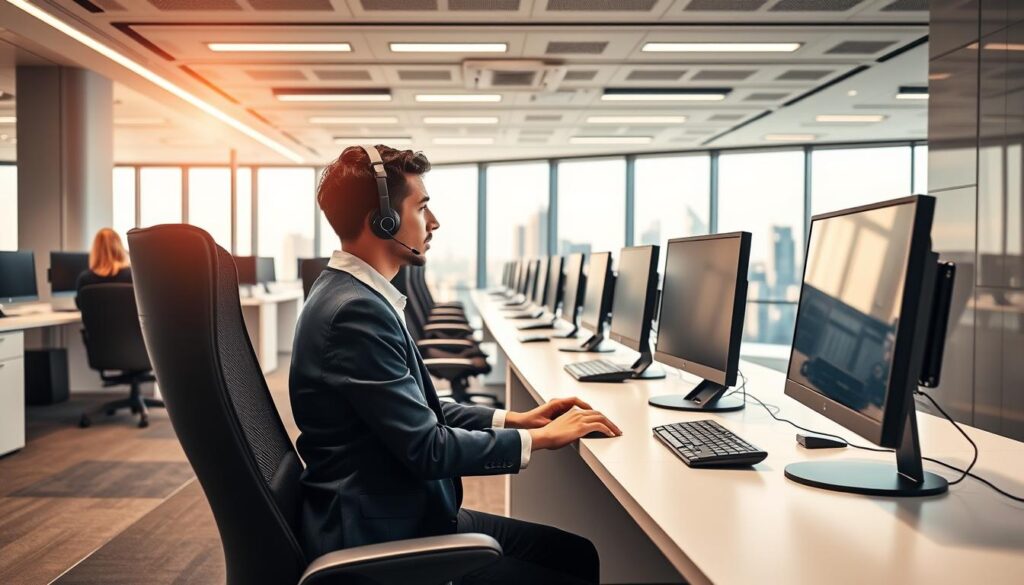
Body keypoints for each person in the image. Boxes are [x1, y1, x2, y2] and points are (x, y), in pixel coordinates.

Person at [289, 145, 621, 585]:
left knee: (573, 555)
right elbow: (429, 448)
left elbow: (415, 412)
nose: (434, 222)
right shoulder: (355, 311)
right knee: (571, 565)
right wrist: (536, 439)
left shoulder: (352, 295)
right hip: (383, 535)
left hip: (394, 508)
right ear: (383, 220)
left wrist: (514, 418)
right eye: (421, 207)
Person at [76, 228, 132, 303]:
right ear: (119, 247)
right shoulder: (131, 276)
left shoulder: (84, 279)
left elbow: (81, 306)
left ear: (95, 250)